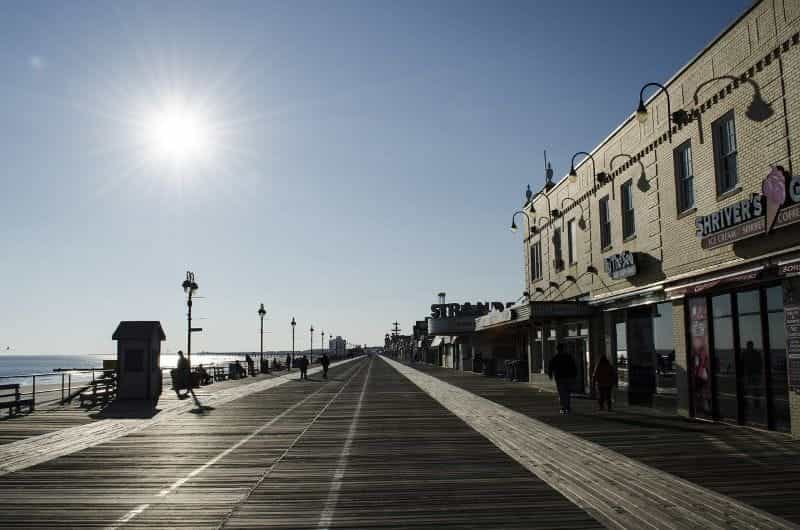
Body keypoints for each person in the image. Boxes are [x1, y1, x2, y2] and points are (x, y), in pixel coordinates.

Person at [547, 343, 577, 414]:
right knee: (567, 392)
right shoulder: (568, 357)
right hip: (568, 377)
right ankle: (568, 406)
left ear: (557, 349)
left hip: (560, 378)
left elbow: (550, 367)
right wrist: (574, 376)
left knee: (562, 393)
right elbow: (573, 367)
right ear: (563, 349)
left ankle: (563, 407)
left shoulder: (556, 357)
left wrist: (550, 375)